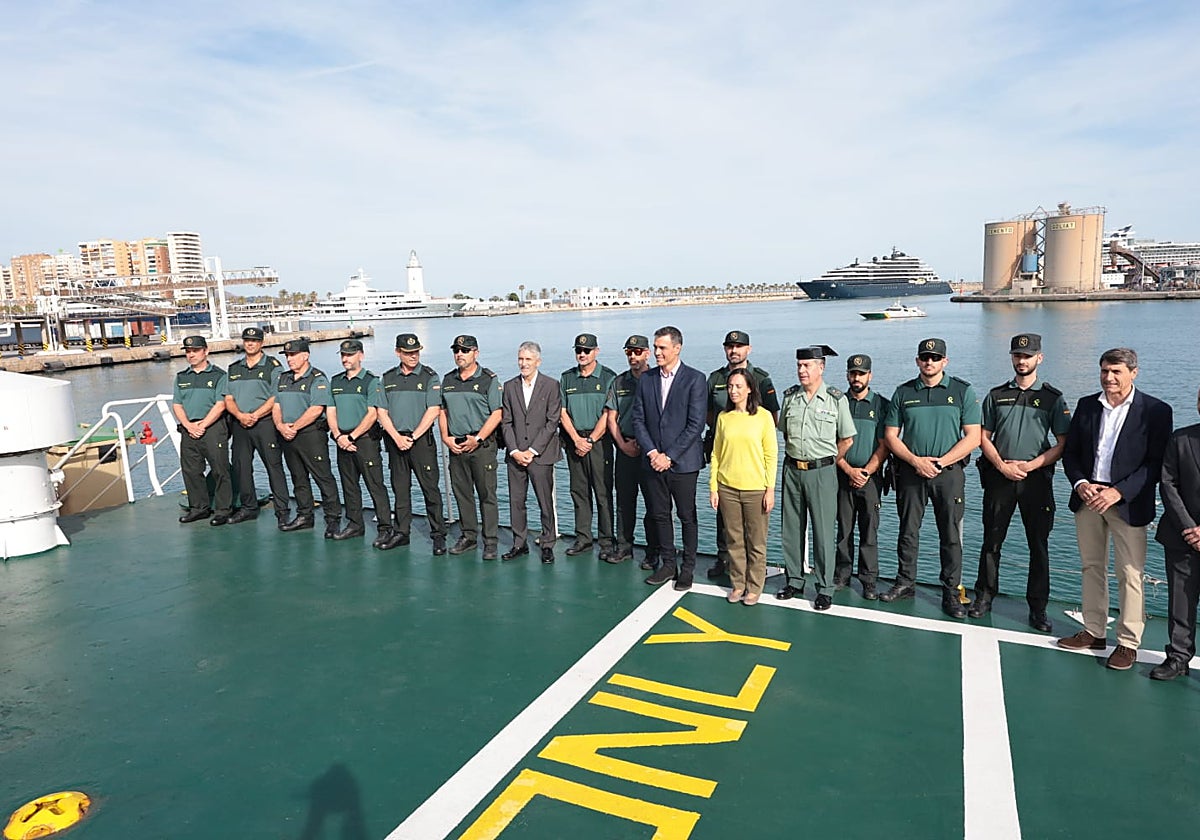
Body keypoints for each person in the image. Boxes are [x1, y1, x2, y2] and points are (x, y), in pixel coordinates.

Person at [1057, 348, 1172, 671]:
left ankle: (1127, 642)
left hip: (1128, 503)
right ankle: (1094, 631)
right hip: (1089, 496)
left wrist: (1118, 492)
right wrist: (1081, 484)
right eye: (1105, 371)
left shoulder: (1156, 411)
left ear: (1133, 373)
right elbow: (1073, 455)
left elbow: (1155, 464)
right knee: (1091, 566)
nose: (1109, 378)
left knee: (1130, 573)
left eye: (1116, 371)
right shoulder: (1086, 406)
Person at [969, 334, 1071, 632]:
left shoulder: (1053, 398)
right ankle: (984, 597)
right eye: (1017, 355)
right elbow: (982, 437)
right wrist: (1001, 465)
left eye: (1027, 355)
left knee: (1038, 545)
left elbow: (1062, 443)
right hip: (1000, 477)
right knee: (991, 541)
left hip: (1036, 479)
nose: (1022, 360)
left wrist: (1030, 465)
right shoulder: (996, 395)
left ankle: (1038, 608)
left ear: (1039, 358)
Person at [882, 338, 981, 618]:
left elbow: (973, 436)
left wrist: (939, 463)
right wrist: (915, 461)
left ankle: (950, 593)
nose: (929, 362)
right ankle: (905, 582)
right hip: (911, 473)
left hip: (947, 474)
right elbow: (891, 436)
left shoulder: (962, 391)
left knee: (950, 534)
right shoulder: (903, 392)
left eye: (935, 358)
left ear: (944, 362)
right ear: (917, 361)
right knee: (908, 531)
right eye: (925, 357)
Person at [776, 345, 856, 611]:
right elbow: (785, 433)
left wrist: (828, 460)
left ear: (821, 367)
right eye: (799, 366)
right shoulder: (790, 398)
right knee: (791, 529)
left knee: (822, 531)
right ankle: (795, 580)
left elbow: (846, 439)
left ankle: (824, 587)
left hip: (822, 472)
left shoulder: (835, 399)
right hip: (792, 470)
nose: (802, 371)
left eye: (807, 366)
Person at [632, 326, 707, 591]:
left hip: (683, 464)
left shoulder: (695, 379)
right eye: (655, 347)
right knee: (660, 514)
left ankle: (687, 568)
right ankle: (667, 563)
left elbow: (695, 425)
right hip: (653, 461)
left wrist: (670, 456)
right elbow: (638, 420)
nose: (657, 352)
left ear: (677, 348)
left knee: (687, 516)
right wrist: (653, 453)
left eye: (662, 347)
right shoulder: (647, 379)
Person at [705, 330, 780, 579]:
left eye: (739, 346)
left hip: (752, 463)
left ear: (749, 349)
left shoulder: (762, 379)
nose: (734, 351)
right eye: (729, 346)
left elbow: (772, 417)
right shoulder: (715, 378)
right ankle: (723, 559)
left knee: (753, 528)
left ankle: (751, 571)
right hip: (724, 450)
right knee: (724, 520)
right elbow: (707, 413)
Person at [377, 333, 447, 555]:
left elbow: (433, 410)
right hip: (395, 441)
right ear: (398, 352)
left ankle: (438, 535)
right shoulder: (387, 378)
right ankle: (402, 532)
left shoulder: (430, 377)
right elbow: (382, 412)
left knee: (430, 489)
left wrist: (413, 437)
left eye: (416, 351)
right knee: (400, 489)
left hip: (420, 442)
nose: (413, 356)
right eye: (408, 353)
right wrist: (397, 437)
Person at [439, 334, 503, 560]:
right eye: (456, 350)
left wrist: (478, 438)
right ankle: (468, 536)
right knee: (462, 493)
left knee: (487, 495)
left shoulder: (488, 379)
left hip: (481, 446)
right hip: (456, 446)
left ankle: (490, 541)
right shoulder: (448, 380)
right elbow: (443, 411)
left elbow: (497, 413)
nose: (459, 354)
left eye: (465, 350)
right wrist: (445, 438)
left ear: (476, 352)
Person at [1152, 386, 1200, 680]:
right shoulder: (1180, 439)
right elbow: (1167, 484)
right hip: (1182, 537)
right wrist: (1190, 528)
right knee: (1181, 600)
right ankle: (1178, 658)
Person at [834, 353, 890, 600]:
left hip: (870, 478)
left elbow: (884, 444)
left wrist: (866, 471)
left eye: (861, 373)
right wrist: (848, 469)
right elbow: (830, 442)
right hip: (842, 475)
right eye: (853, 373)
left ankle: (868, 580)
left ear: (870, 375)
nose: (856, 378)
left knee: (869, 531)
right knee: (844, 530)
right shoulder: (838, 403)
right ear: (847, 375)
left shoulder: (881, 405)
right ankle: (842, 575)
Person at [273, 337, 343, 537]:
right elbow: (276, 405)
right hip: (287, 434)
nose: (289, 359)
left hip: (310, 435)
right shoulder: (283, 378)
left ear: (305, 356)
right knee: (298, 477)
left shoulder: (317, 378)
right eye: (287, 355)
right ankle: (305, 515)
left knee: (323, 477)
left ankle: (332, 519)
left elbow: (316, 409)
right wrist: (280, 425)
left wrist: (293, 427)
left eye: (293, 355)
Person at [328, 339, 393, 546]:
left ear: (361, 356)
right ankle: (355, 524)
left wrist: (352, 437)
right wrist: (338, 436)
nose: (346, 359)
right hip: (342, 441)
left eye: (350, 355)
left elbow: (372, 414)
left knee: (375, 485)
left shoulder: (371, 381)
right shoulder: (336, 381)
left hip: (364, 441)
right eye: (343, 355)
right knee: (349, 485)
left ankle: (385, 528)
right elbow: (331, 410)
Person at [223, 327, 290, 525]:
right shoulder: (234, 368)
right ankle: (248, 507)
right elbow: (228, 398)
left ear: (261, 343)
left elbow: (275, 396)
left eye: (254, 340)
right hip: (240, 424)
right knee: (241, 467)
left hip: (265, 423)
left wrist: (255, 415)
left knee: (273, 466)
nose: (250, 343)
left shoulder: (273, 366)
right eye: (247, 340)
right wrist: (240, 416)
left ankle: (282, 510)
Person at [501, 341, 561, 563]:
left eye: (527, 359)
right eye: (520, 359)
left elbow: (552, 421)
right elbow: (506, 422)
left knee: (545, 501)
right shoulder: (509, 387)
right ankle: (519, 543)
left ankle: (547, 543)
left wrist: (533, 450)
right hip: (515, 456)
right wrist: (515, 450)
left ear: (538, 361)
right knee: (516, 501)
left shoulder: (551, 385)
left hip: (541, 455)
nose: (523, 364)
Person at [559, 333, 618, 559]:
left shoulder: (608, 377)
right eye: (579, 351)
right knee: (579, 493)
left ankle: (606, 541)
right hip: (575, 442)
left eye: (587, 351)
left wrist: (591, 439)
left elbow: (608, 413)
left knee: (602, 494)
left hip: (599, 443)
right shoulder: (567, 378)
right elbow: (562, 412)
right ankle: (583, 538)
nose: (582, 355)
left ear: (596, 351)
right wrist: (576, 439)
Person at [605, 334, 659, 568]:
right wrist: (623, 445)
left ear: (647, 353)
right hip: (625, 449)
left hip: (650, 452)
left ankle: (653, 550)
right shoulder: (618, 383)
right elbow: (611, 418)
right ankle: (624, 546)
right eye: (629, 352)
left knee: (653, 504)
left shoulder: (657, 379)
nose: (633, 356)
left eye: (637, 352)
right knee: (625, 502)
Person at [172, 335, 233, 525]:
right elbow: (177, 404)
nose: (191, 355)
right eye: (188, 351)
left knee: (220, 469)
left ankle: (223, 510)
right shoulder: (181, 377)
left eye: (195, 351)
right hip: (189, 428)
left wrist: (203, 424)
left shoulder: (219, 376)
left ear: (205, 351)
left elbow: (221, 404)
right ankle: (199, 508)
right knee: (191, 470)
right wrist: (189, 425)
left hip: (213, 428)